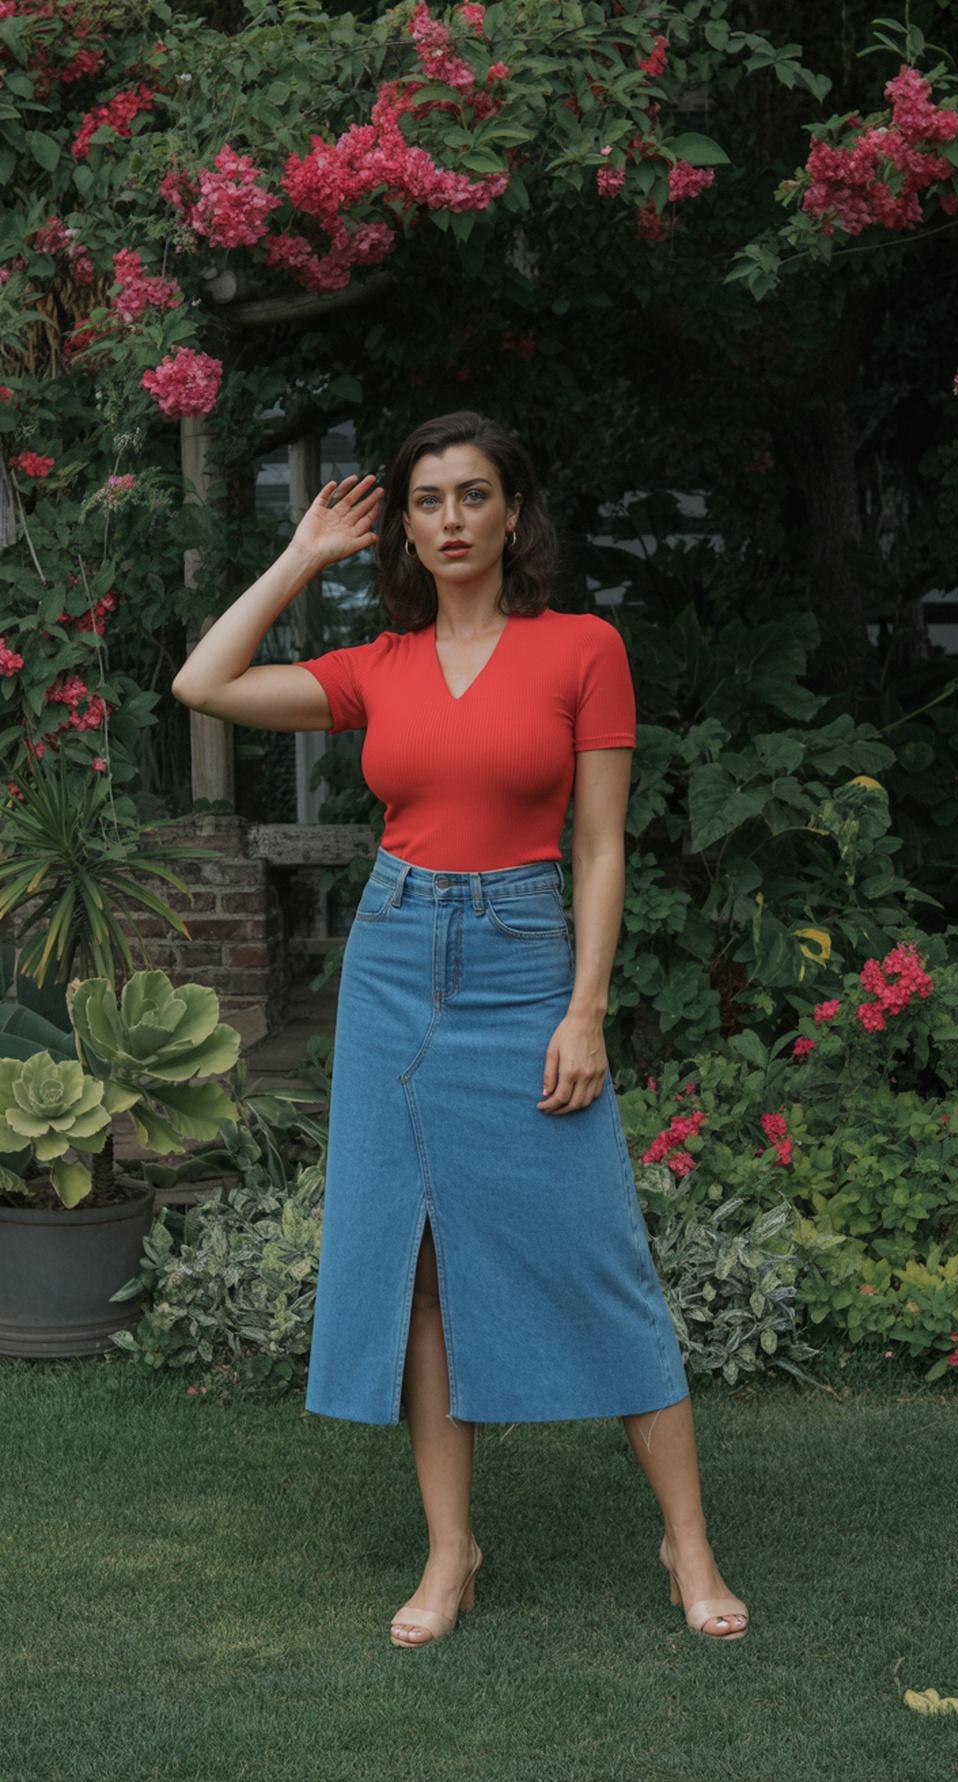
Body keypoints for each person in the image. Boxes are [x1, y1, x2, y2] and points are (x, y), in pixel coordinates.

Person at [172, 410, 748, 1648]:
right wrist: (301, 556)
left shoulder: (583, 649)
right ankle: (451, 1554)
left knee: (602, 1248)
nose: (448, 520)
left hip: (526, 960)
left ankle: (686, 1545)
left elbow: (598, 846)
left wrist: (584, 1009)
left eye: (471, 496)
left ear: (510, 514)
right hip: (393, 965)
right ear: (411, 527)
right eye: (427, 500)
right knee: (421, 1266)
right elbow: (202, 682)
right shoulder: (375, 668)